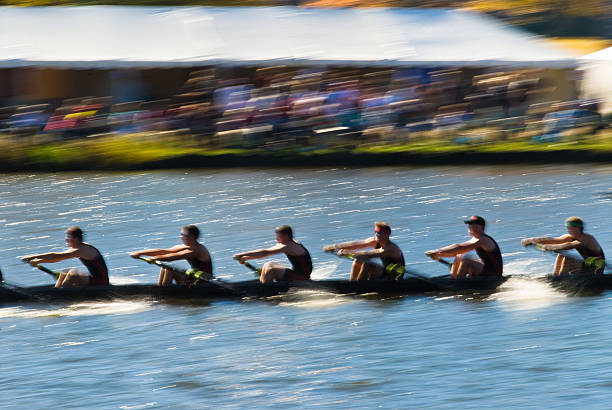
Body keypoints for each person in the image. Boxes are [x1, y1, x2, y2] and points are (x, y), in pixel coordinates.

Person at [21, 226, 109, 288]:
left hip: (101, 283)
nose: (66, 240)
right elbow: (55, 259)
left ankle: (60, 294)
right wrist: (38, 261)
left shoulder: (82, 250)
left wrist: (33, 257)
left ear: (77, 239)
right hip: (96, 280)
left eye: (69, 238)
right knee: (64, 273)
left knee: (72, 274)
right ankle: (57, 290)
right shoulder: (78, 248)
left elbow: (55, 256)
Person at [130, 225, 213, 286]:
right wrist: (140, 253)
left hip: (203, 282)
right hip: (193, 278)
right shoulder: (187, 247)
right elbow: (164, 251)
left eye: (183, 235)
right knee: (165, 268)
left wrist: (154, 258)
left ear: (191, 237)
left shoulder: (198, 249)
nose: (181, 237)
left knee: (170, 270)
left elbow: (174, 257)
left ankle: (164, 293)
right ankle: (161, 289)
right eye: (181, 234)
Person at [521, 216, 605, 276]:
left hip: (595, 270)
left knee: (568, 257)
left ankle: (560, 280)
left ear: (578, 228)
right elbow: (553, 240)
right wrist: (532, 240)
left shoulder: (587, 239)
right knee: (561, 254)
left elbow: (568, 246)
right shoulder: (570, 237)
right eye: (568, 228)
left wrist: (549, 247)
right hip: (585, 266)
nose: (569, 230)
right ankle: (556, 276)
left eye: (571, 228)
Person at [323, 222, 405, 281]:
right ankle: (353, 282)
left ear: (387, 234)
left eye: (379, 232)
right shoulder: (375, 241)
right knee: (358, 259)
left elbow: (369, 254)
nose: (376, 234)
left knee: (367, 263)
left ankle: (360, 285)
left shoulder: (391, 248)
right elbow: (355, 245)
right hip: (383, 273)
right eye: (375, 232)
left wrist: (346, 252)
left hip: (393, 278)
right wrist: (334, 247)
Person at [426, 216, 503, 279]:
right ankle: (454, 278)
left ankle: (458, 282)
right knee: (460, 255)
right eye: (469, 224)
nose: (470, 227)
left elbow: (459, 247)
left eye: (473, 225)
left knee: (466, 259)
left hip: (493, 275)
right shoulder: (476, 239)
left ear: (481, 227)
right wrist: (438, 254)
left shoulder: (483, 240)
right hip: (487, 270)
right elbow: (456, 252)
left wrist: (438, 251)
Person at [233, 225, 312, 283]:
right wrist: (246, 258)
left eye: (278, 236)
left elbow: (265, 252)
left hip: (302, 278)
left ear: (286, 236)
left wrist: (241, 255)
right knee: (268, 264)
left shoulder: (289, 246)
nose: (276, 238)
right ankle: (264, 283)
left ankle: (265, 288)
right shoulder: (286, 243)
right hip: (296, 274)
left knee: (272, 270)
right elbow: (265, 253)